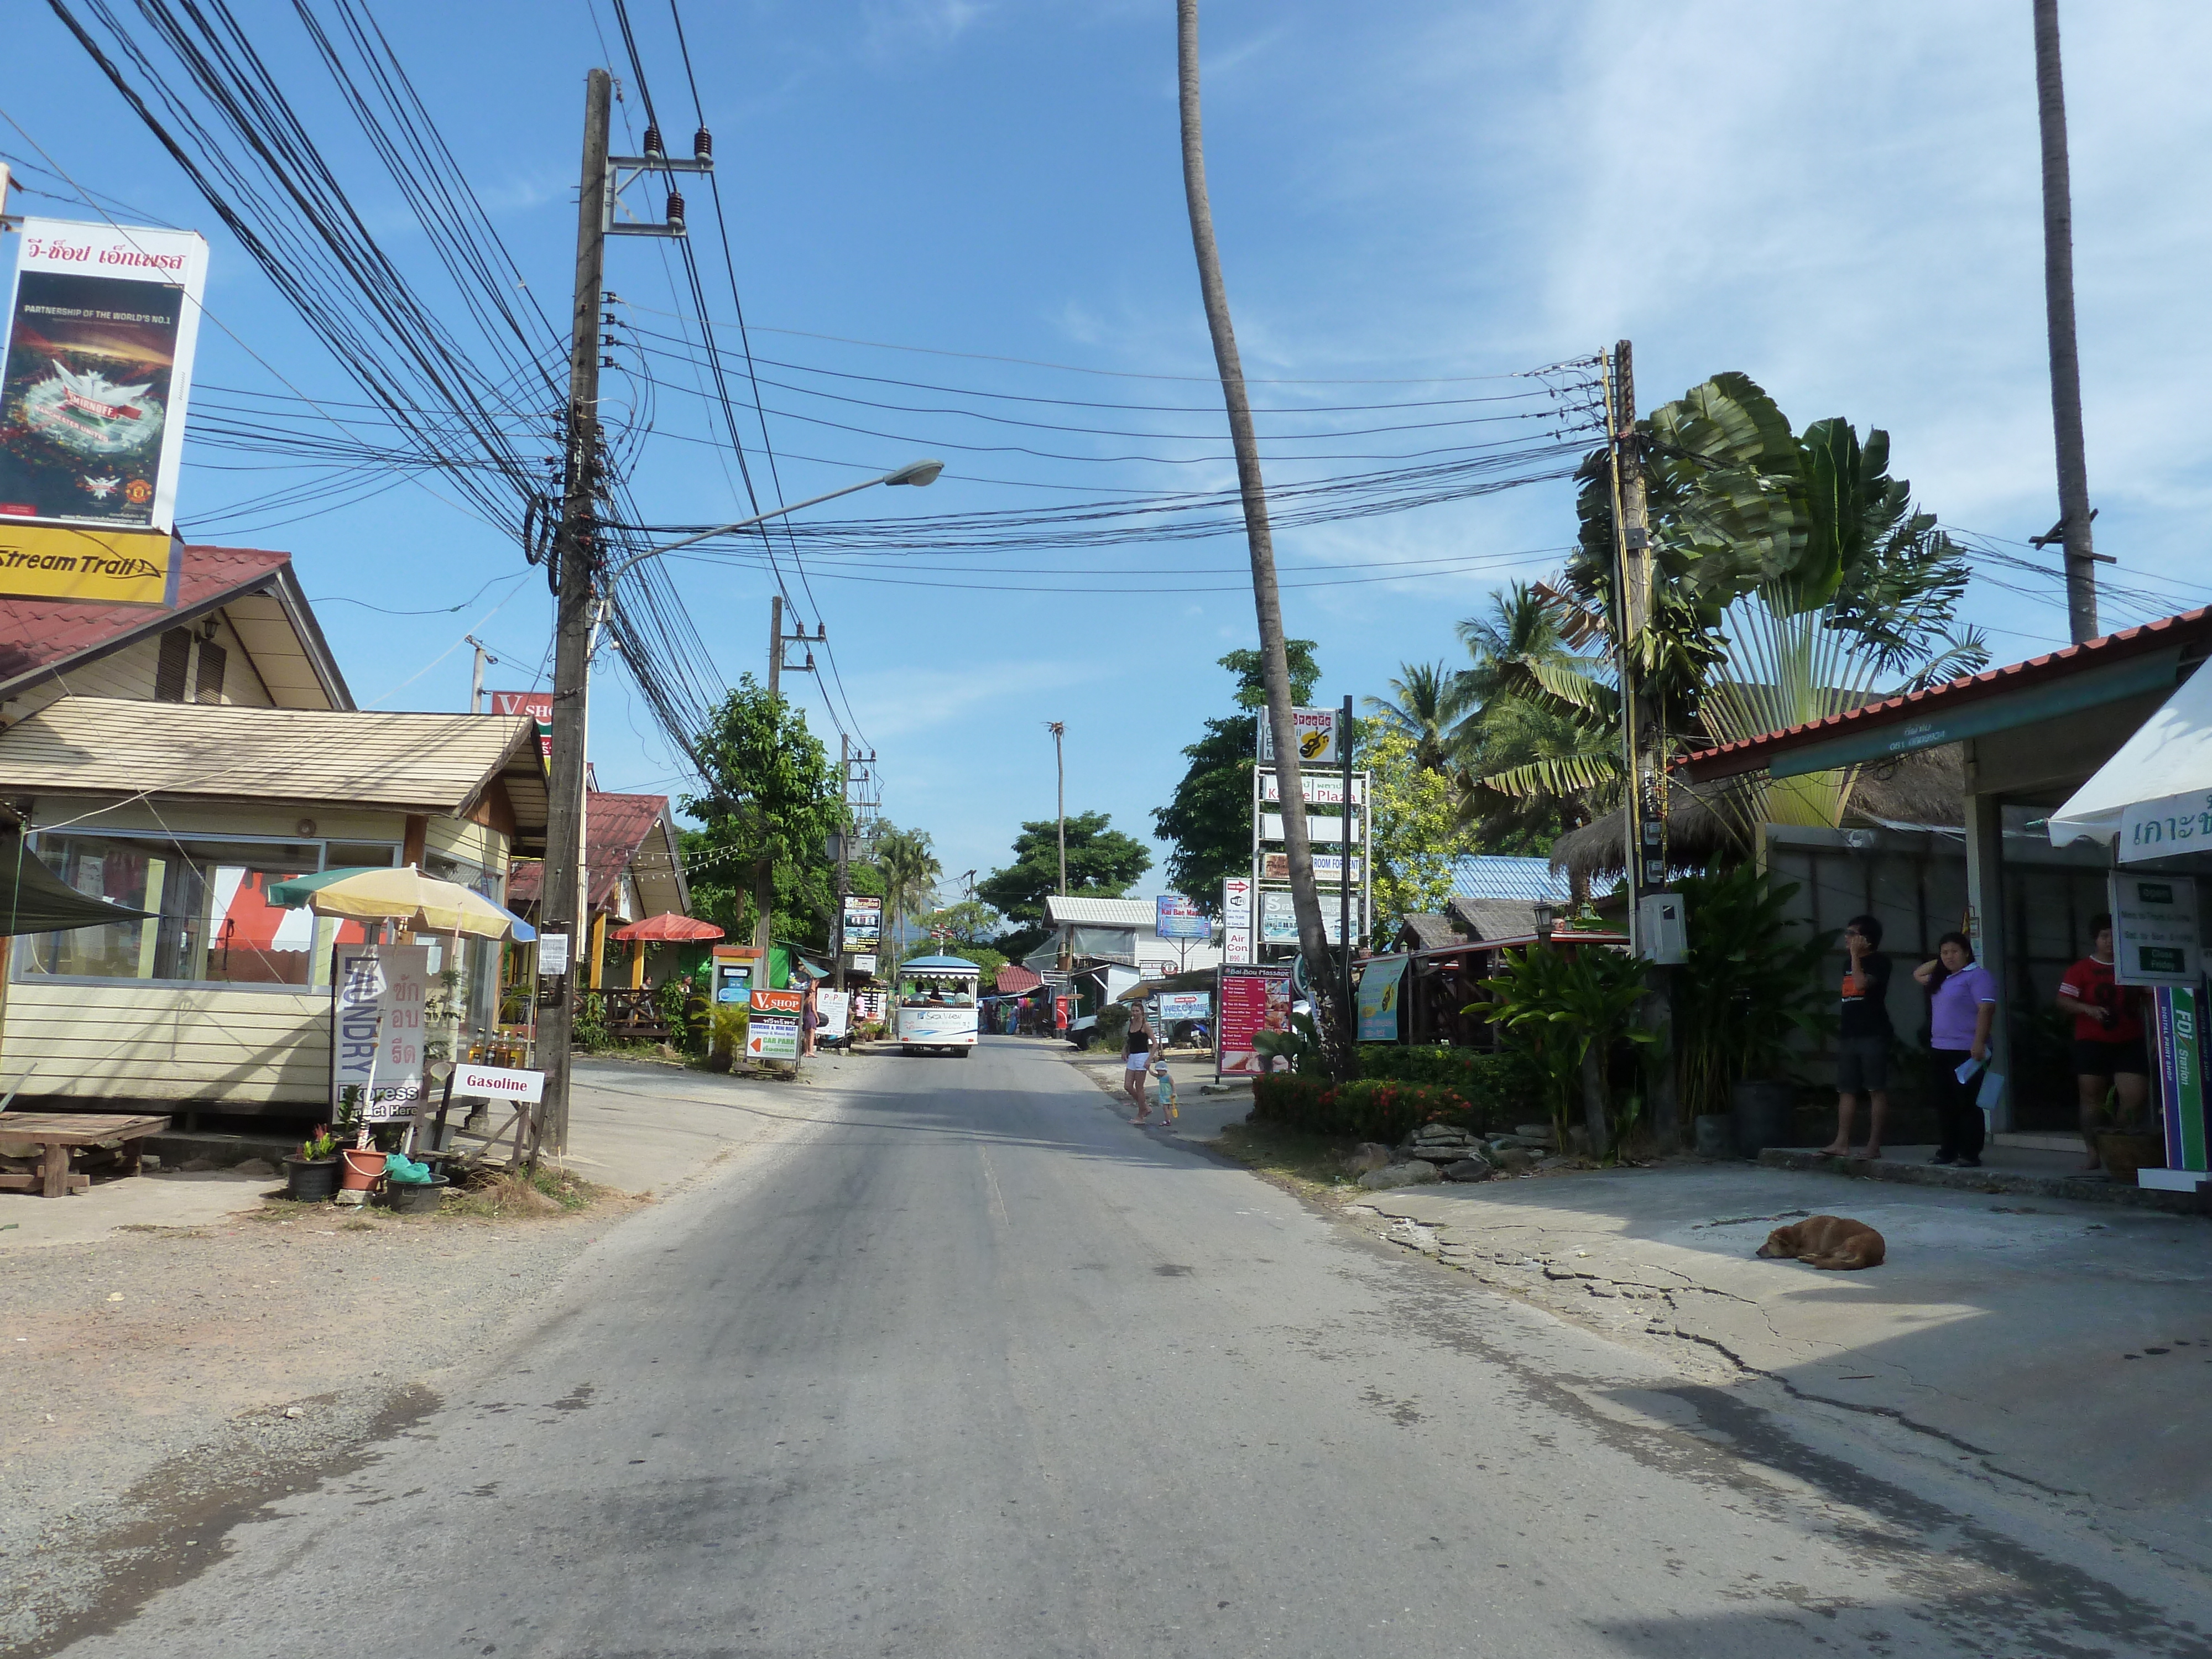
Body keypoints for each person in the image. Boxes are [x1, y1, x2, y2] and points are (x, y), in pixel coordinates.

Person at [2057, 913, 2150, 1173]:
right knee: (2091, 1099)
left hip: (2130, 1039)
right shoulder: (2081, 969)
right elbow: (2063, 1001)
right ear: (2096, 940)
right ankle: (2094, 1153)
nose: (2109, 942)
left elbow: (2151, 999)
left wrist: (2157, 1034)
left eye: (2114, 936)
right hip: (2092, 1041)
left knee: (2134, 1098)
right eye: (2104, 936)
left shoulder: (2133, 966)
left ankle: (2117, 1144)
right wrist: (2087, 1009)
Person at [1913, 931, 1997, 1167]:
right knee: (1945, 1101)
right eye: (1945, 952)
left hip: (1967, 1049)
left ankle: (1970, 1152)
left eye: (1955, 952)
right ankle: (1948, 1149)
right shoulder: (1943, 979)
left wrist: (1979, 1043)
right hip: (1941, 1047)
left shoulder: (1977, 976)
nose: (1949, 957)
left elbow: (1986, 1010)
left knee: (1967, 1102)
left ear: (1967, 953)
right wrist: (1940, 961)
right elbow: (1918, 973)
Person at [1820, 914, 1893, 1159]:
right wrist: (1852, 958)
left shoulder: (1880, 962)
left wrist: (1855, 956)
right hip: (1850, 1032)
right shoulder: (1846, 965)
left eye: (1852, 934)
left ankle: (1874, 1145)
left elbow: (1862, 985)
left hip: (1873, 1032)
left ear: (1866, 939)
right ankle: (1841, 1141)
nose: (1847, 938)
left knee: (1875, 1088)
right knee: (1846, 1089)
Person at [1124, 1009, 1155, 1121]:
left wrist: (1149, 1059)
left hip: (1142, 1056)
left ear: (1142, 1012)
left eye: (1137, 1011)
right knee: (1128, 1086)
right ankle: (1145, 1107)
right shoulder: (1131, 1023)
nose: (1135, 1013)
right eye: (1133, 1011)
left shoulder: (1145, 1025)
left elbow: (1155, 1043)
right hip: (1132, 1056)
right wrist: (1125, 1050)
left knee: (1139, 1087)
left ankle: (1141, 1115)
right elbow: (1129, 1039)